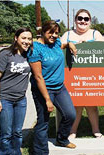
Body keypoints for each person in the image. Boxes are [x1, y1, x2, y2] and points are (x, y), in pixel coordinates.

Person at [27, 20, 77, 154]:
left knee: (70, 115)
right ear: (43, 32)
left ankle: (62, 139)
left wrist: (70, 44)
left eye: (56, 33)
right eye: (50, 32)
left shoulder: (56, 44)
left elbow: (63, 44)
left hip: (60, 87)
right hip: (43, 89)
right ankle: (40, 151)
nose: (54, 35)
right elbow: (38, 77)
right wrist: (47, 99)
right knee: (43, 122)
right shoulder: (35, 48)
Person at [61, 9, 104, 139]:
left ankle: (96, 130)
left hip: (91, 75)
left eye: (86, 19)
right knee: (76, 105)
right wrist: (68, 44)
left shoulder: (95, 34)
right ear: (75, 20)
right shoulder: (68, 34)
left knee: (91, 105)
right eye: (80, 18)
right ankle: (72, 131)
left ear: (90, 21)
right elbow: (58, 46)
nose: (83, 21)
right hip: (72, 75)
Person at [0, 27, 33, 155]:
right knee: (6, 134)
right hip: (4, 99)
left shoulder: (29, 54)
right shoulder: (6, 54)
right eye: (23, 38)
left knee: (18, 132)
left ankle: (16, 153)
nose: (27, 41)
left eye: (29, 39)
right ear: (16, 38)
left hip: (21, 100)